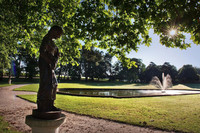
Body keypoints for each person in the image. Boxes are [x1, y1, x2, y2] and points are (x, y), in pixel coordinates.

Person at [37, 26, 63, 112]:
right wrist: (50, 62)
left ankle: (50, 105)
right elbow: (42, 52)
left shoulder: (51, 41)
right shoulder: (46, 39)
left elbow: (53, 53)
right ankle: (43, 105)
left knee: (54, 84)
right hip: (45, 65)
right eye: (59, 34)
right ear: (53, 31)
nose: (59, 37)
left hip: (49, 66)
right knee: (46, 85)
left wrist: (56, 55)